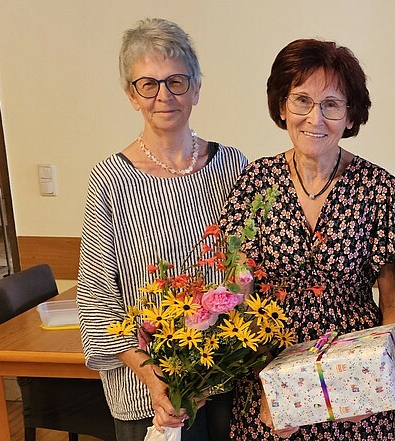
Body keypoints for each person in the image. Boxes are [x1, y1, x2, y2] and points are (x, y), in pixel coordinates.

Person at [221, 38, 395, 440]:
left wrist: (375, 383)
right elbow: (239, 289)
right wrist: (272, 382)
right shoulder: (254, 182)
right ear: (281, 106)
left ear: (350, 116)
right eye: (302, 100)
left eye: (331, 104)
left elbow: (392, 300)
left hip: (353, 377)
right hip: (268, 368)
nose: (314, 117)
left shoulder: (379, 188)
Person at [76, 18, 247, 441]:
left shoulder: (233, 166)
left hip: (226, 379)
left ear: (196, 88)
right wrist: (155, 379)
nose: (163, 96)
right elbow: (96, 300)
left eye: (176, 81)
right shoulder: (110, 179)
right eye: (148, 84)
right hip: (149, 393)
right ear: (131, 95)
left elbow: (248, 268)